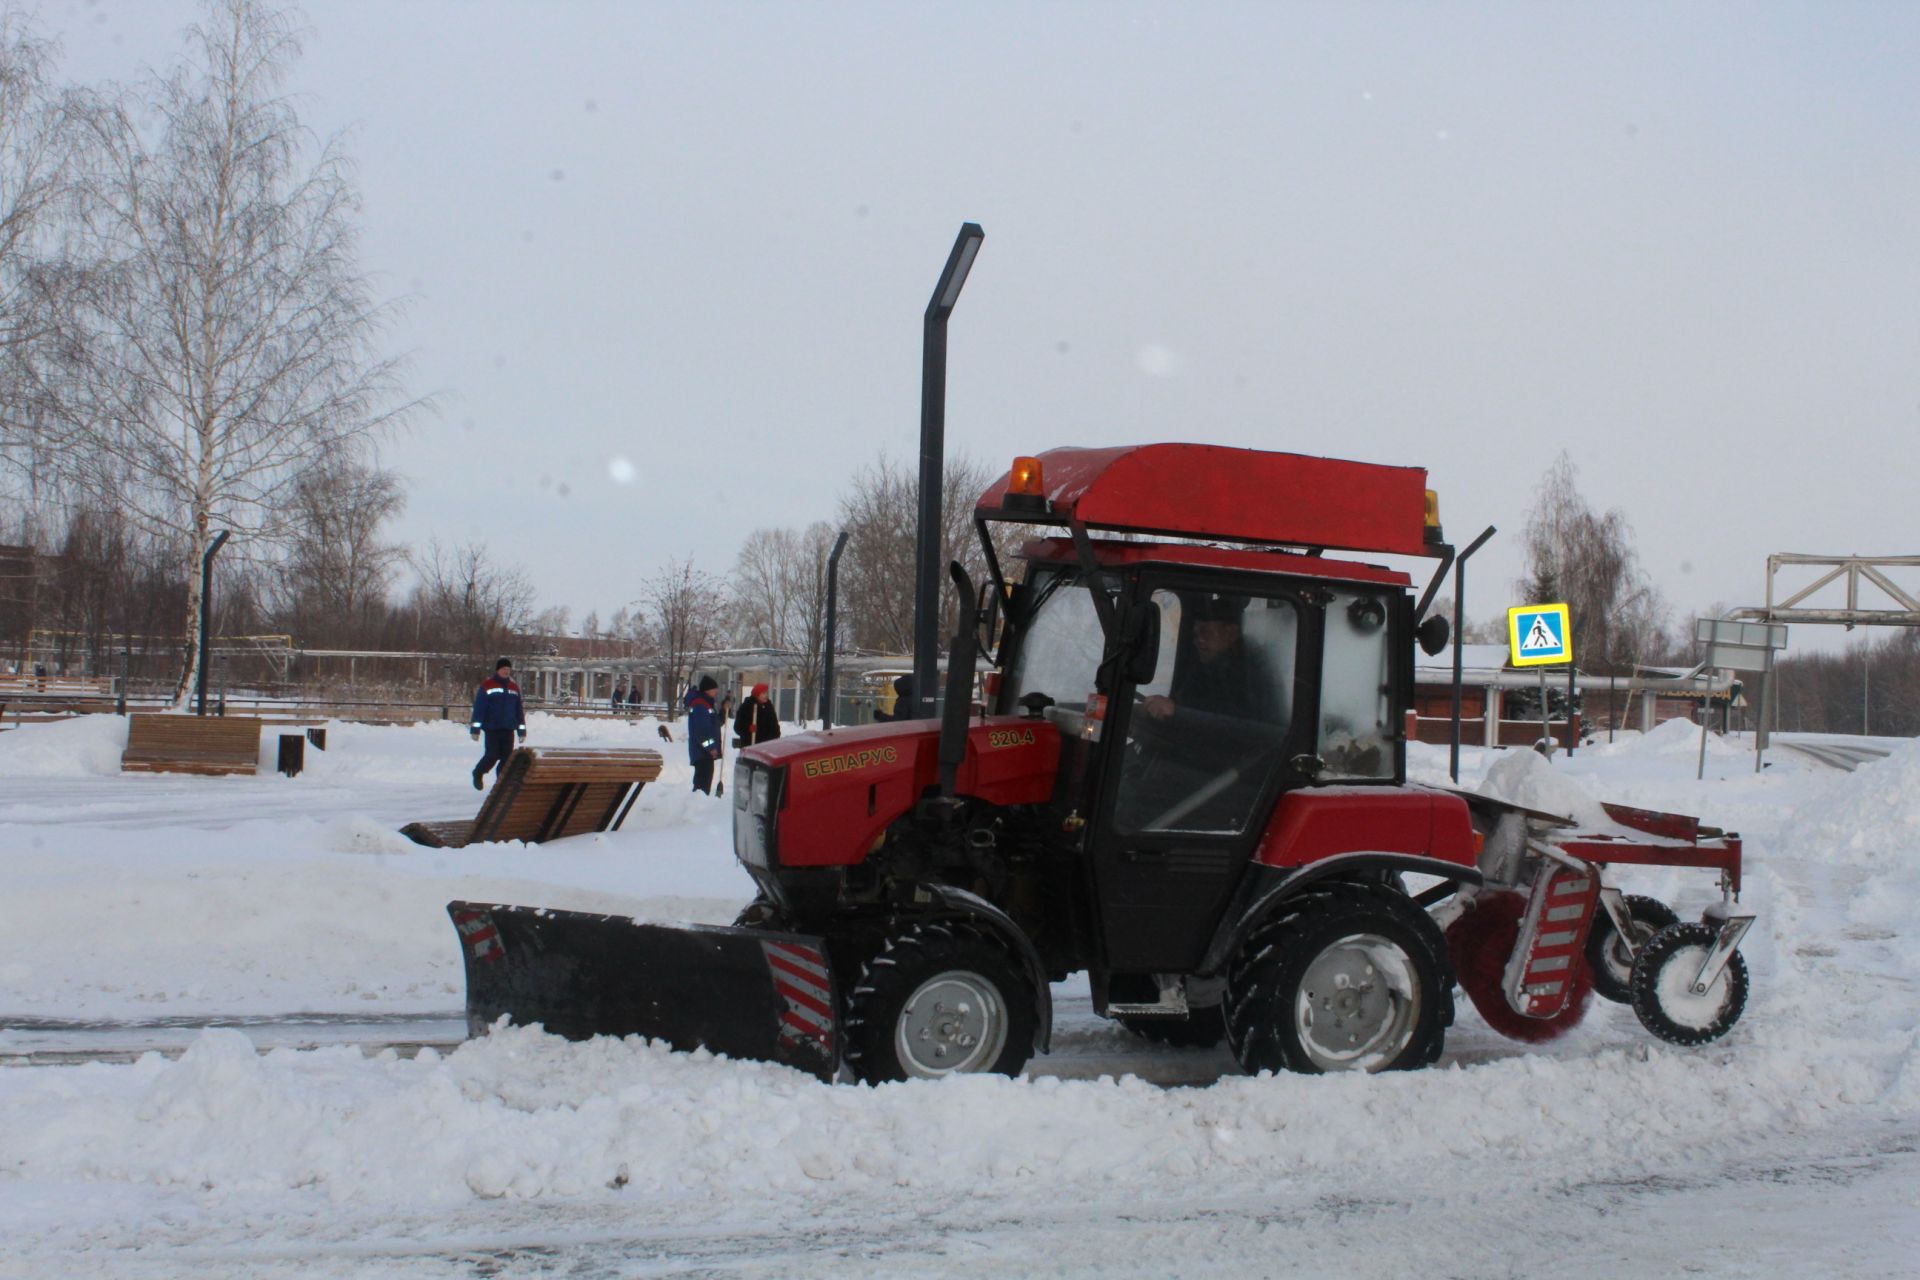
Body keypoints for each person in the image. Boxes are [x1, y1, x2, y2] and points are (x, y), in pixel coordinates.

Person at [469, 657, 526, 790]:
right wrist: (475, 729)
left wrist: (521, 731)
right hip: (492, 728)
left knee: (507, 758)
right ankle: (478, 773)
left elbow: (519, 711)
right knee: (492, 755)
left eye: (508, 669)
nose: (506, 671)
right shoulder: (488, 685)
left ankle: (502, 783)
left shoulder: (514, 688)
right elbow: (479, 709)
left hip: (508, 729)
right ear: (498, 670)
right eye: (503, 669)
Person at [684, 674, 722, 794]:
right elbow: (702, 731)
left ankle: (698, 803)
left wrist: (724, 711)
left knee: (704, 782)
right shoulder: (701, 705)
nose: (716, 691)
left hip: (703, 753)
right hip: (702, 753)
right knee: (702, 785)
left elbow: (714, 724)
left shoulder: (706, 704)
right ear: (708, 690)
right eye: (714, 689)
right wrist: (711, 748)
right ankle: (696, 806)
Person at [734, 682, 781, 747]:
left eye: (767, 693)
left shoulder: (768, 706)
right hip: (750, 745)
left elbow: (774, 725)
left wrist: (775, 736)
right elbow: (738, 727)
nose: (766, 695)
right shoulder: (746, 706)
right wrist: (748, 729)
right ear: (757, 694)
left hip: (767, 746)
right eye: (764, 693)